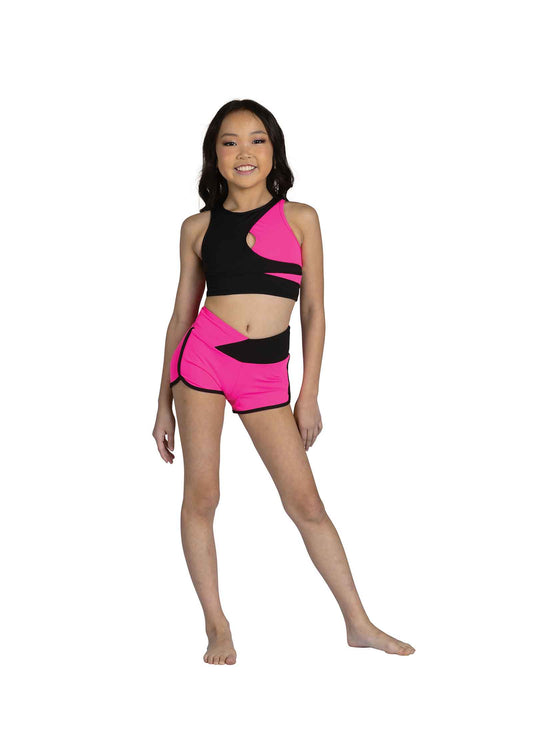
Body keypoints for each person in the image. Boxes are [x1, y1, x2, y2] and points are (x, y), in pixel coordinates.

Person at [153, 99, 415, 665]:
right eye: (229, 142)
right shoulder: (197, 228)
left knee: (306, 503)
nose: (244, 152)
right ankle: (217, 625)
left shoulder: (301, 219)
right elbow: (179, 317)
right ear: (214, 155)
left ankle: (359, 623)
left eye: (257, 140)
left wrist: (309, 393)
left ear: (274, 151)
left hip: (266, 375)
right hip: (201, 364)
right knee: (202, 495)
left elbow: (315, 311)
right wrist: (160, 405)